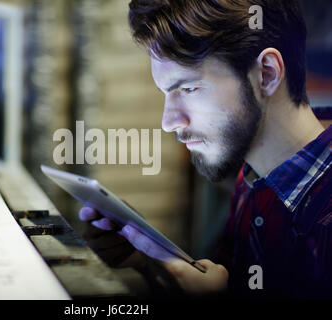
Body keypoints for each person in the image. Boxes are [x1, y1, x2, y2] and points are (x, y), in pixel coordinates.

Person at [79, 0, 332, 299]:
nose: (169, 122)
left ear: (266, 74)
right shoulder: (251, 179)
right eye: (167, 93)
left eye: (188, 89)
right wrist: (152, 261)